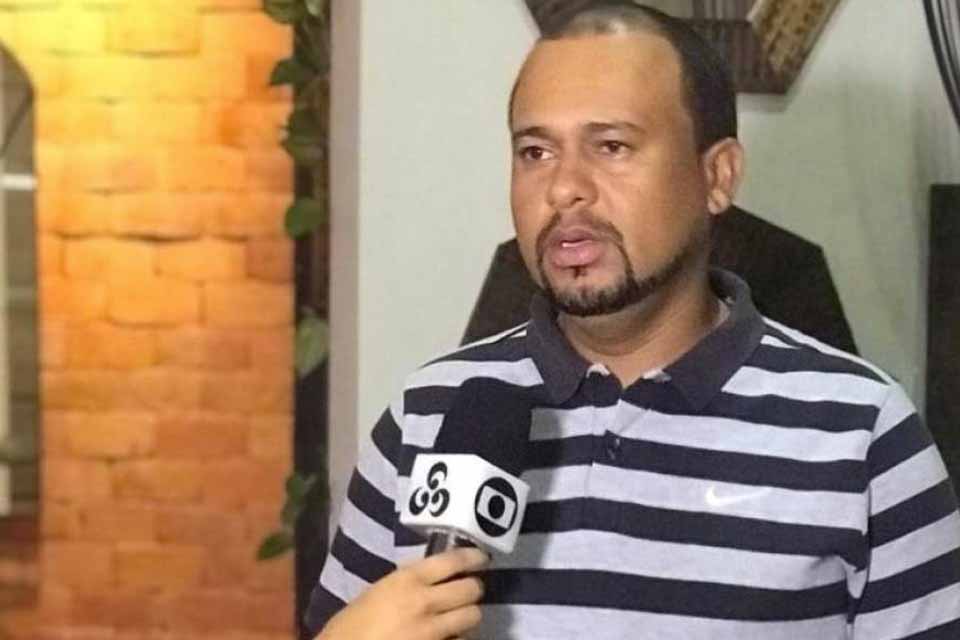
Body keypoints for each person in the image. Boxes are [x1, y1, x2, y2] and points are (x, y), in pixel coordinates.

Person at [305, 3, 960, 639]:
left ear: (718, 176)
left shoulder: (864, 435)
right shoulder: (427, 415)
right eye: (535, 152)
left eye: (611, 146)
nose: (563, 188)